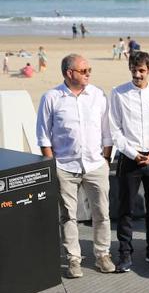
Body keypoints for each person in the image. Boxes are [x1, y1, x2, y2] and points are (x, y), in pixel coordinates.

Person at [36, 54, 115, 278]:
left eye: (89, 69)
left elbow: (107, 131)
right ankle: (73, 259)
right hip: (64, 166)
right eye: (83, 70)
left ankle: (102, 255)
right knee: (69, 216)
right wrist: (52, 164)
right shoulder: (51, 97)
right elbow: (43, 136)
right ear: (69, 73)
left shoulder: (98, 95)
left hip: (95, 165)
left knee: (102, 213)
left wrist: (106, 160)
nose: (88, 73)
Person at [109, 51, 149, 272]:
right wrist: (132, 153)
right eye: (134, 70)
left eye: (141, 71)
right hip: (129, 158)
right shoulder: (118, 93)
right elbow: (114, 129)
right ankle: (125, 254)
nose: (137, 74)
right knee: (125, 208)